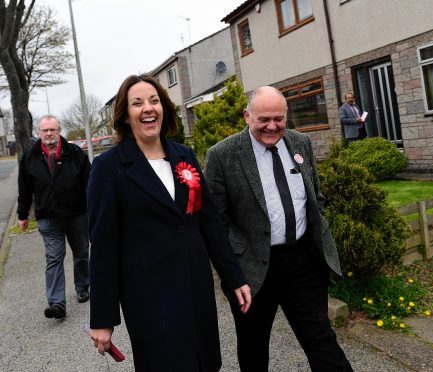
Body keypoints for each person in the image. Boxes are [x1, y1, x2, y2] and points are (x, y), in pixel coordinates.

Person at [86, 74, 251, 371]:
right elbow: (102, 247)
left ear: (164, 108)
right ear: (125, 116)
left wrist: (234, 276)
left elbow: (210, 223)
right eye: (137, 103)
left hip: (195, 288)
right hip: (150, 299)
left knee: (206, 362)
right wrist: (102, 319)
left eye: (154, 100)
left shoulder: (184, 155)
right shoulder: (108, 168)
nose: (148, 108)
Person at [205, 86, 353, 372]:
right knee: (253, 348)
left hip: (303, 262)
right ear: (247, 116)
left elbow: (316, 198)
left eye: (279, 119)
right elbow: (216, 223)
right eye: (263, 120)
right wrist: (232, 275)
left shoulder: (301, 143)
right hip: (252, 270)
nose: (272, 126)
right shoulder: (222, 155)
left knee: (321, 340)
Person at [17, 115, 91, 320]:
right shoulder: (30, 157)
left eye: (53, 129)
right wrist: (22, 215)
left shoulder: (75, 153)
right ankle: (57, 304)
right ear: (39, 133)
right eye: (45, 130)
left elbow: (90, 182)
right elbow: (24, 189)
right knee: (53, 258)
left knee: (82, 253)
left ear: (59, 131)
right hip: (48, 218)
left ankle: (83, 286)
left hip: (76, 214)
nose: (49, 133)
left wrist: (94, 208)